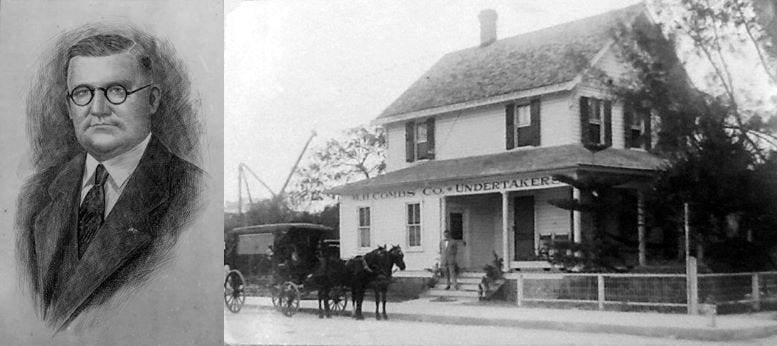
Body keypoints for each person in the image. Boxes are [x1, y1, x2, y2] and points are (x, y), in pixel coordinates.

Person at [15, 23, 204, 332]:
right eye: (83, 92)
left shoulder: (195, 194)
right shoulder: (34, 194)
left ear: (152, 100)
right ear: (69, 105)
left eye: (117, 91)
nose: (98, 108)